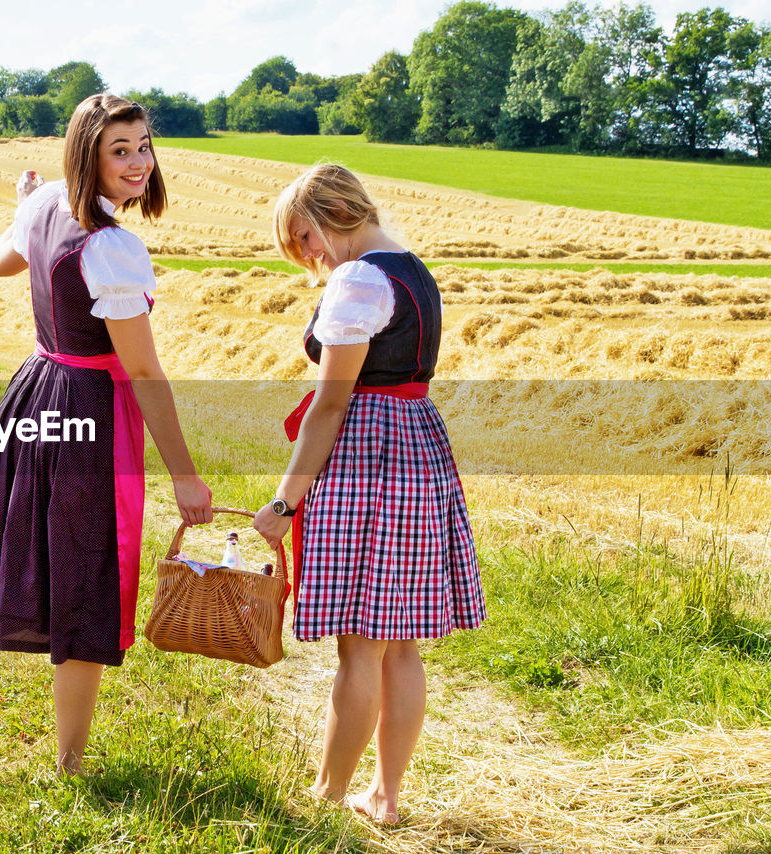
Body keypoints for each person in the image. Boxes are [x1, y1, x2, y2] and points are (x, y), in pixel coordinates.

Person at [0, 93, 212, 776]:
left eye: (143, 145)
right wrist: (184, 473)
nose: (139, 162)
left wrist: (23, 205)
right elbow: (142, 369)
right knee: (86, 572)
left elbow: (1, 262)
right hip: (87, 404)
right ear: (86, 155)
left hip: (35, 388)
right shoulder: (112, 248)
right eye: (120, 150)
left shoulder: (49, 203)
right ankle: (70, 760)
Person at [252, 163, 485, 824]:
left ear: (332, 213)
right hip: (420, 447)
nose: (306, 256)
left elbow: (330, 406)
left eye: (303, 237)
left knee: (360, 643)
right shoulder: (412, 268)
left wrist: (285, 502)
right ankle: (385, 798)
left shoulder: (358, 279)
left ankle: (328, 796)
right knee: (401, 642)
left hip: (369, 454)